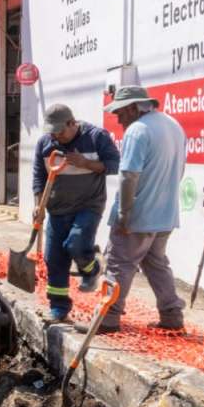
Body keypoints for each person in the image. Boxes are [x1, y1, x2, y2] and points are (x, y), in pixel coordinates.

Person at [97, 86, 187, 333]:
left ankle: (107, 318)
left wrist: (125, 214)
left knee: (118, 264)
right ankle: (172, 314)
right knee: (156, 263)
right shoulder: (172, 125)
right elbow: (180, 170)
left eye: (120, 113)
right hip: (165, 215)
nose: (118, 119)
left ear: (132, 108)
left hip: (138, 215)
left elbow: (129, 176)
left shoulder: (137, 131)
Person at [34, 104, 120, 323]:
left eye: (61, 131)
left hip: (88, 205)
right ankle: (59, 307)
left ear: (72, 123)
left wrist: (87, 163)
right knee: (54, 258)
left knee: (75, 244)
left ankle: (91, 268)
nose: (57, 136)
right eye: (53, 132)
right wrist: (38, 206)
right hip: (57, 209)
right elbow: (38, 177)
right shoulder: (45, 144)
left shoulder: (96, 137)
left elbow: (114, 164)